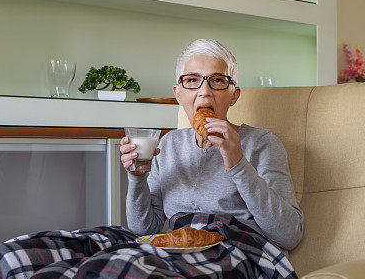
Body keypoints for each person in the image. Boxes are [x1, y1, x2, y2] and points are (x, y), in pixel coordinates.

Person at [121, 39, 303, 250]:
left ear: (234, 95)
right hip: (176, 253)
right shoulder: (168, 145)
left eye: (217, 80)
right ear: (178, 93)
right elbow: (144, 230)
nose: (204, 91)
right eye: (191, 80)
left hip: (236, 253)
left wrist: (238, 164)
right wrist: (137, 178)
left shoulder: (262, 143)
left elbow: (290, 235)